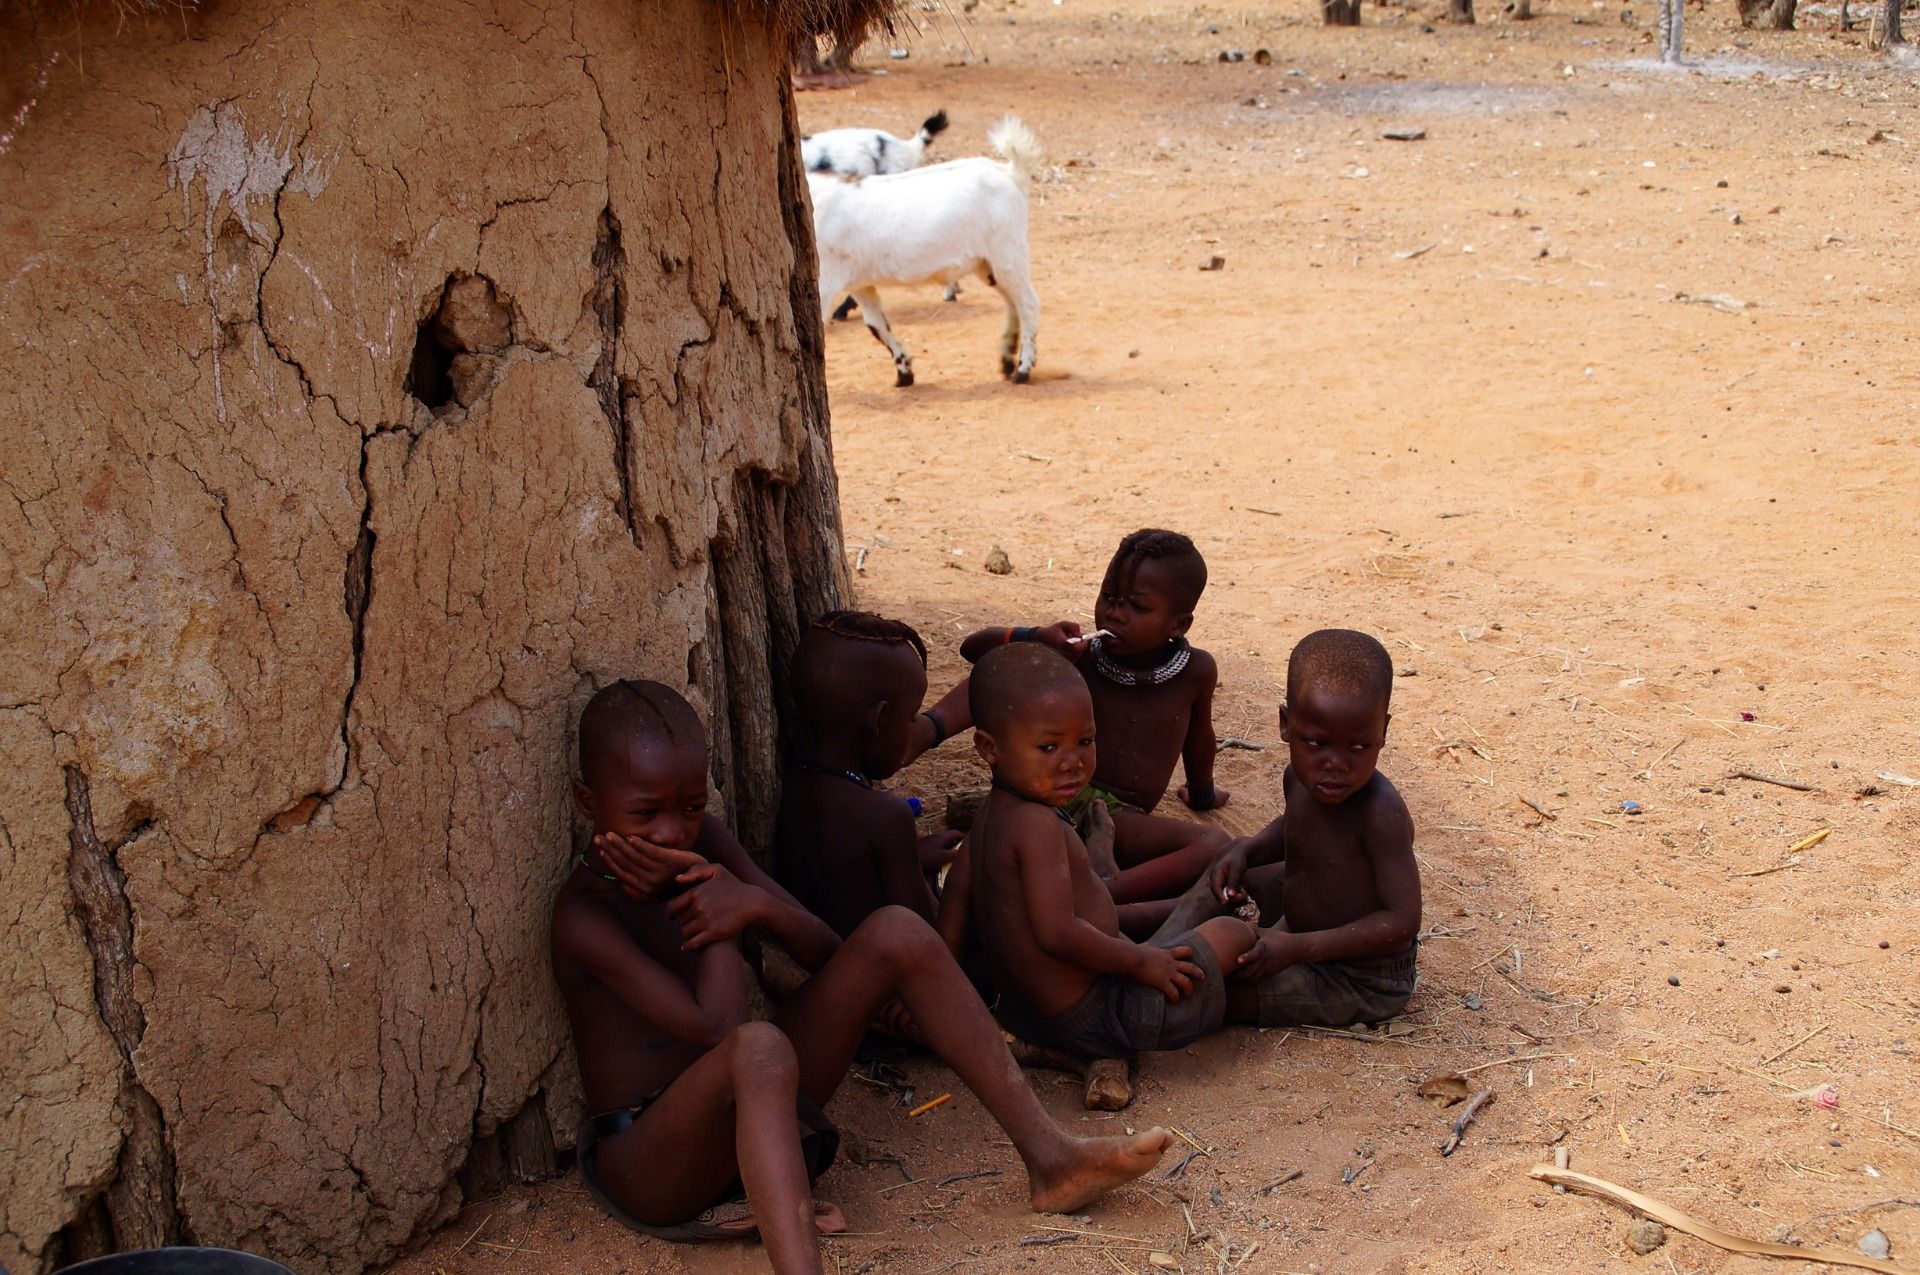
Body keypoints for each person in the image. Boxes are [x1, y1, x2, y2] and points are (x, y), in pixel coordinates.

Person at [550, 679, 1171, 1275]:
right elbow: (718, 1029)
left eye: (690, 808)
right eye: (644, 813)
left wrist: (753, 902)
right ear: (586, 802)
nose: (672, 831)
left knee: (897, 930)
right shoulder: (585, 916)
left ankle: (1052, 1158)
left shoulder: (703, 843)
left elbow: (826, 949)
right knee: (758, 1045)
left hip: (755, 1121)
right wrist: (706, 895)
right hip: (653, 1163)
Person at [950, 645, 1258, 1060]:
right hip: (1098, 1016)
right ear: (989, 748)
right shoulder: (1036, 825)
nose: (1072, 762)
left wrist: (943, 980)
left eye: (1085, 741)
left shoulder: (990, 816)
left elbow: (954, 904)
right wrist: (1139, 963)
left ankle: (1189, 917)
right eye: (1048, 747)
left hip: (1028, 1009)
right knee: (1234, 935)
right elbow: (1057, 934)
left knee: (1189, 912)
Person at [909, 529, 1231, 905]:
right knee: (1014, 673)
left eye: (1137, 607)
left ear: (1178, 625)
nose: (1114, 613)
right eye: (1109, 597)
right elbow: (975, 651)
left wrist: (1203, 793)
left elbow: (1198, 738)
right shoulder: (1080, 655)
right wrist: (1036, 637)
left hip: (1120, 820)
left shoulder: (1195, 671)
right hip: (1051, 796)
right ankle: (928, 729)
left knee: (1216, 846)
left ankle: (1102, 886)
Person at [1186, 628, 1422, 1027]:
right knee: (1223, 865)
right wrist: (1248, 850)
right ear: (1285, 723)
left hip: (1357, 976)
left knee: (1217, 997)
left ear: (1383, 730)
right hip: (1298, 929)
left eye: (1360, 747)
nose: (1337, 764)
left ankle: (1144, 992)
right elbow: (1295, 826)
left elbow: (1401, 922)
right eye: (1316, 743)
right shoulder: (1299, 778)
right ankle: (1155, 947)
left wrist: (1297, 948)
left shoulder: (1381, 813)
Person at [774, 612, 961, 938]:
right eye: (910, 718)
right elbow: (928, 934)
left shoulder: (793, 787)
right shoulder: (886, 816)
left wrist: (912, 856)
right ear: (880, 720)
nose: (914, 728)